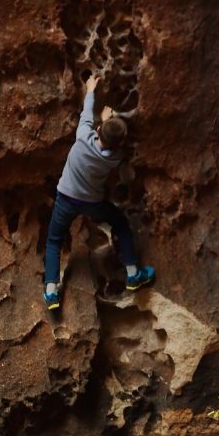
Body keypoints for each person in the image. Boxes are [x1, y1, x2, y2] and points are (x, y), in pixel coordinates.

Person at [43, 74, 154, 311]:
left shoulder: (83, 137)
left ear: (98, 128)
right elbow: (113, 143)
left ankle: (51, 291)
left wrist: (91, 90)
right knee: (121, 225)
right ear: (121, 143)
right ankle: (134, 274)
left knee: (54, 240)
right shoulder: (114, 158)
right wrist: (111, 124)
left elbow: (87, 111)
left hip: (65, 198)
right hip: (92, 203)